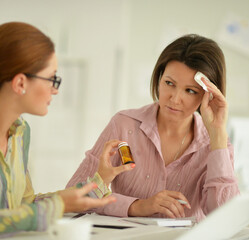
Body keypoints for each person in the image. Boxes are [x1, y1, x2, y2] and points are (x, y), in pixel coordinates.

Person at [0, 22, 134, 240]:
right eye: (52, 79)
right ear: (20, 83)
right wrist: (57, 206)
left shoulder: (20, 132)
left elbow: (24, 205)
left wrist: (98, 181)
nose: (55, 90)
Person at [67, 34, 240, 222]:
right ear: (158, 78)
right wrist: (138, 206)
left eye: (190, 91)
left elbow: (227, 216)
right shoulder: (124, 126)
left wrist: (217, 134)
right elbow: (74, 198)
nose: (174, 99)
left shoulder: (216, 143)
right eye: (169, 83)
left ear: (209, 95)